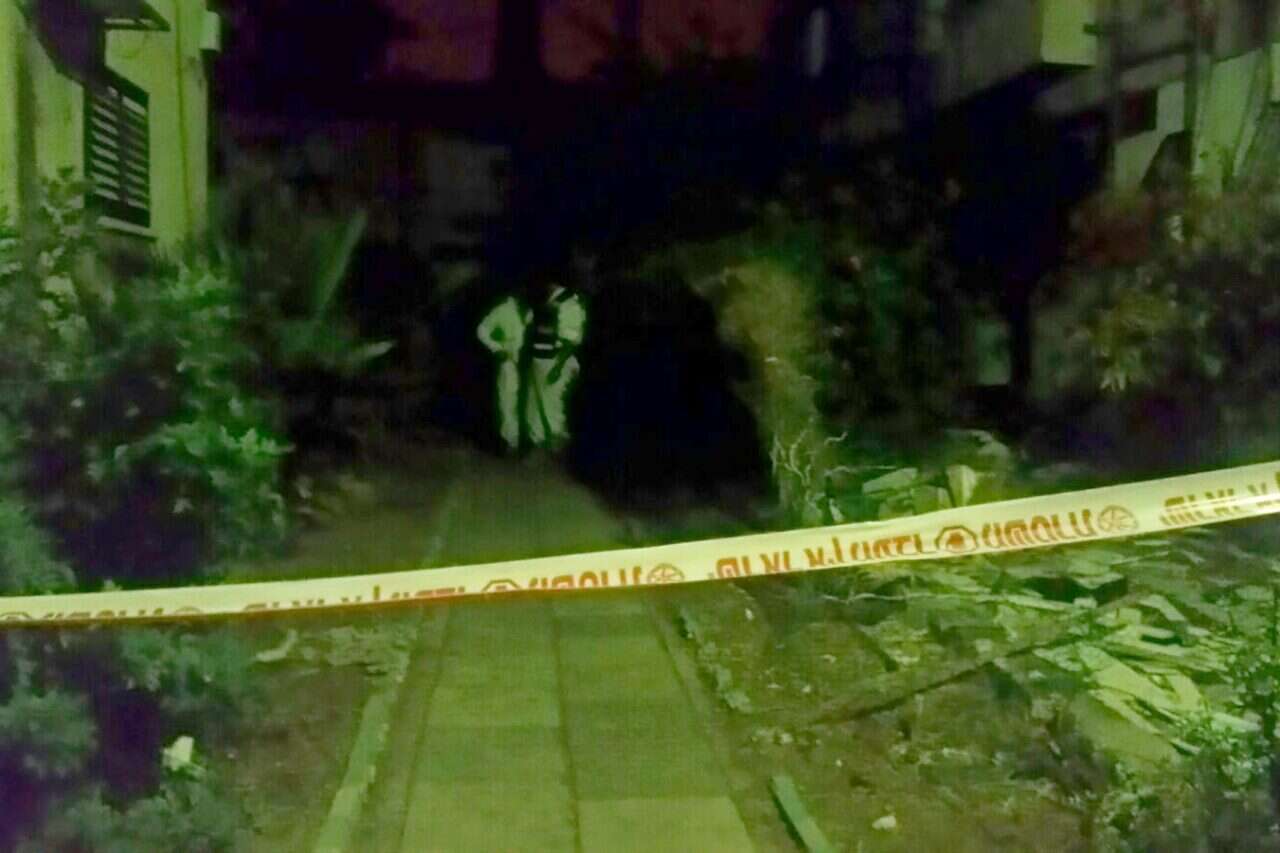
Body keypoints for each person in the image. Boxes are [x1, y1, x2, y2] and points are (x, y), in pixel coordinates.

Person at [477, 282, 586, 456]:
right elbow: (482, 330)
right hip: (511, 362)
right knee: (509, 402)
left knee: (535, 403)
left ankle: (533, 443)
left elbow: (562, 338)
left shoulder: (533, 310)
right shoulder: (505, 309)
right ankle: (512, 443)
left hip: (530, 362)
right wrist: (497, 349)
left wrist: (557, 365)